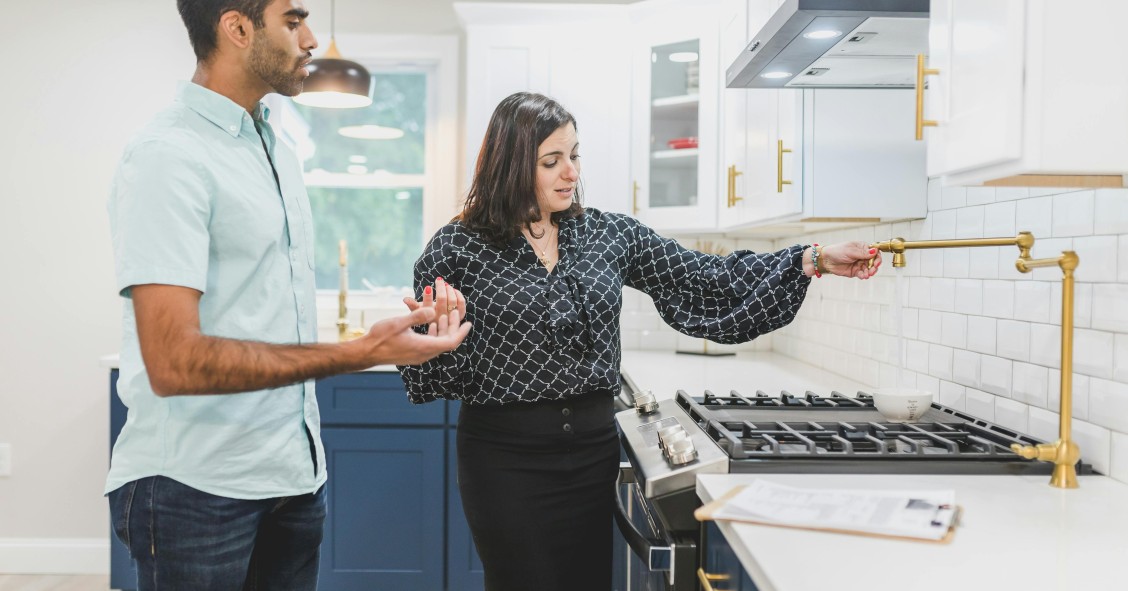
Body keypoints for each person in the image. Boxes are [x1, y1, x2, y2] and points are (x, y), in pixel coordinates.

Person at [397, 91, 882, 591]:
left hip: (591, 453)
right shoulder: (456, 247)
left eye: (575, 155)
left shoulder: (608, 234)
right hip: (503, 461)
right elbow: (431, 378)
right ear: (512, 164)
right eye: (552, 161)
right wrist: (433, 338)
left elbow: (709, 277)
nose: (571, 172)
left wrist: (812, 258)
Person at [105, 1, 470, 588]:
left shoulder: (274, 146)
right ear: (237, 28)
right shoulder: (167, 156)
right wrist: (361, 352)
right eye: (293, 20)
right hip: (196, 489)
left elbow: (262, 312)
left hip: (294, 480)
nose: (311, 38)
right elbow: (173, 360)